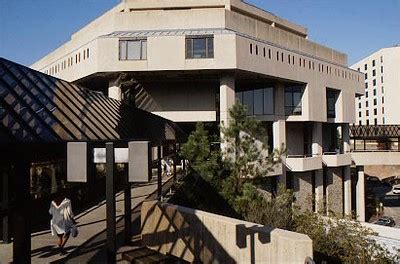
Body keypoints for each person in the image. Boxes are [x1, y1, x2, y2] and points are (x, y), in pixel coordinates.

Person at [49, 189, 75, 254]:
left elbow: (50, 212)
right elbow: (69, 211)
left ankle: (62, 250)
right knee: (67, 233)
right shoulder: (67, 201)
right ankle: (61, 248)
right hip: (63, 220)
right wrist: (72, 218)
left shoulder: (53, 202)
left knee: (60, 236)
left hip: (55, 220)